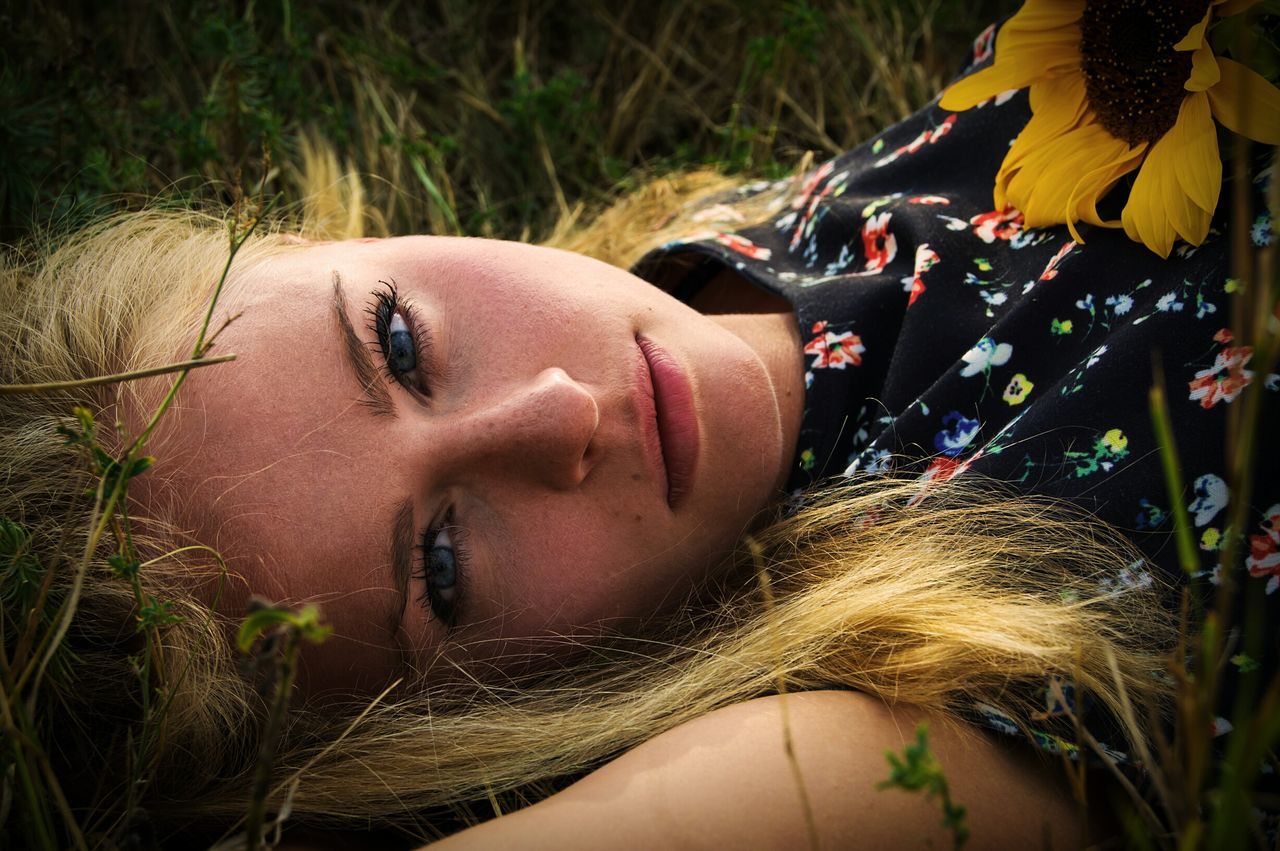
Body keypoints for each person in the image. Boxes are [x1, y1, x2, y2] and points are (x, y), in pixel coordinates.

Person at [2, 14, 1276, 850]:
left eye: (396, 342)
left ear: (326, 239)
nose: (554, 415)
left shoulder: (726, 250)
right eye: (442, 568)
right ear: (485, 719)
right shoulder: (930, 658)